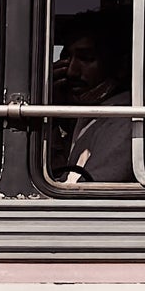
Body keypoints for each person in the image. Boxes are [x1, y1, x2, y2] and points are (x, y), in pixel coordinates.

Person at [49, 10, 133, 183]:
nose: (71, 71)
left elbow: (90, 191)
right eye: (66, 58)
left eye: (86, 59)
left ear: (121, 65)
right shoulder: (90, 116)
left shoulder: (121, 121)